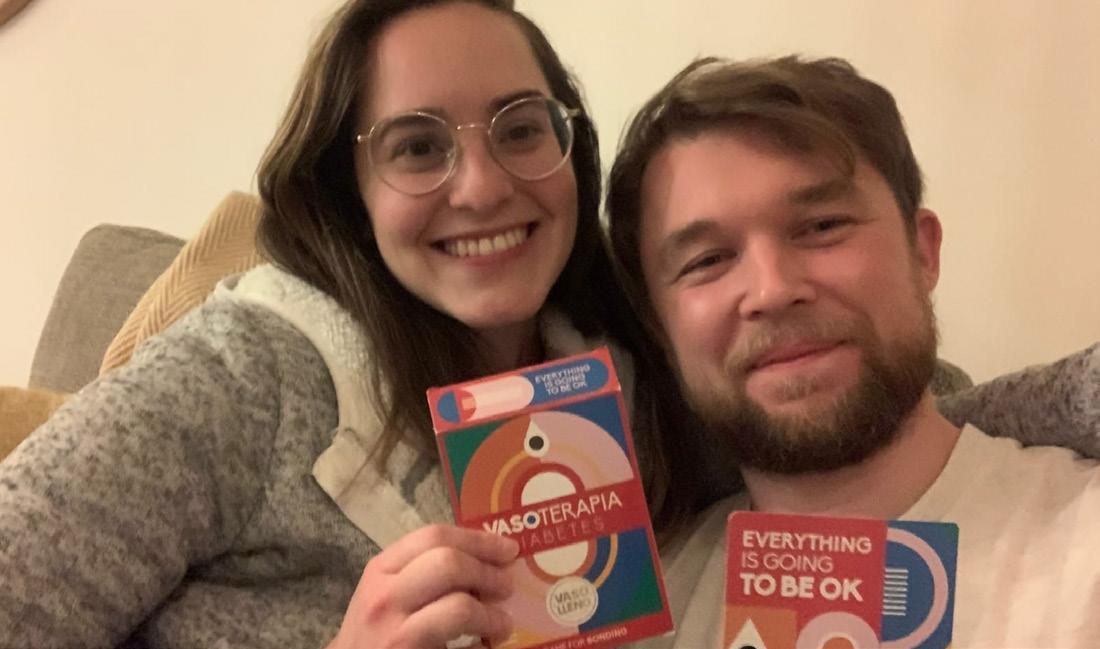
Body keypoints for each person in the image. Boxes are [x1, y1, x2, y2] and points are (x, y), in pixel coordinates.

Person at [0, 1, 1093, 646]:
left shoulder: (651, 389)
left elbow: (890, 411)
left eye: (520, 127)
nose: (482, 186)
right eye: (417, 146)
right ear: (348, 190)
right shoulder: (245, 376)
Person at [606, 55, 1100, 647]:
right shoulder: (635, 619)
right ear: (659, 328)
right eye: (707, 260)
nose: (772, 290)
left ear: (923, 252)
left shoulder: (1085, 553)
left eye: (822, 226)